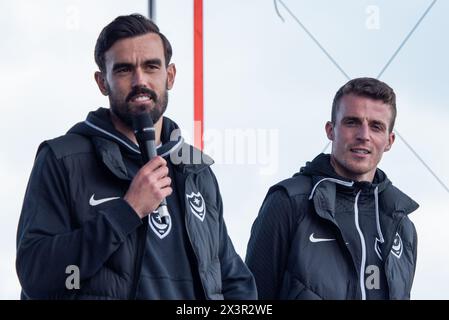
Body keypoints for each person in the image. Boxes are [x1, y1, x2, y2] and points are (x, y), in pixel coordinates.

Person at [16, 14, 256, 300]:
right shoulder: (63, 160)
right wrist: (126, 212)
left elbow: (234, 281)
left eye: (151, 66)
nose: (140, 80)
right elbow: (37, 276)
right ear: (102, 82)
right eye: (124, 70)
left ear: (170, 76)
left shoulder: (196, 172)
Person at [246, 77, 418, 300]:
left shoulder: (401, 226)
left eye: (376, 126)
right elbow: (250, 300)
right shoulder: (289, 202)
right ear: (330, 130)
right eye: (352, 122)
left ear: (389, 141)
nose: (363, 135)